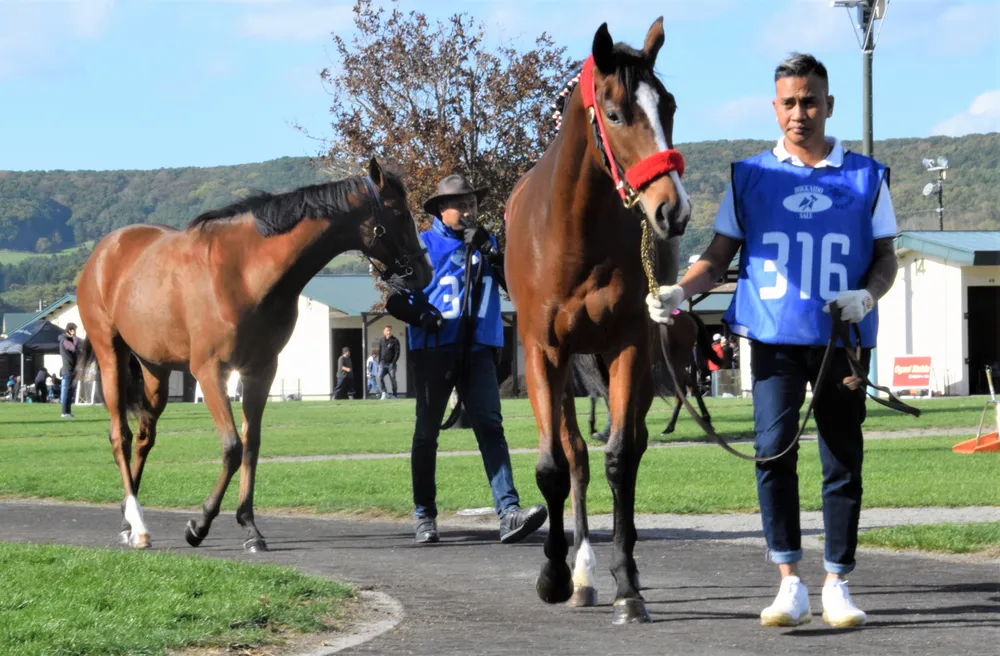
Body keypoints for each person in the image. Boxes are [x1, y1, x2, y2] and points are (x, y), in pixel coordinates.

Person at [646, 53, 898, 629]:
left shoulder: (866, 175)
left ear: (828, 105)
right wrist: (680, 293)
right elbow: (717, 258)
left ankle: (837, 581)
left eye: (810, 100)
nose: (799, 112)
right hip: (774, 333)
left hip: (842, 336)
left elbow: (886, 258)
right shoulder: (751, 176)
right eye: (789, 102)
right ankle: (790, 582)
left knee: (842, 460)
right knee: (773, 454)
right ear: (775, 107)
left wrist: (869, 295)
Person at [385, 173, 547, 545]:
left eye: (473, 204)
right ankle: (424, 514)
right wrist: (420, 315)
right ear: (442, 210)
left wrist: (492, 254)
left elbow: (519, 286)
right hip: (434, 350)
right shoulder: (421, 246)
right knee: (426, 434)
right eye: (462, 205)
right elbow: (394, 299)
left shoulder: (487, 243)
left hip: (478, 351)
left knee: (491, 427)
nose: (470, 211)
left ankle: (509, 512)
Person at [59, 323, 79, 417]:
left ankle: (68, 412)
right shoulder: (65, 341)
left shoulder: (66, 340)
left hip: (70, 369)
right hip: (68, 369)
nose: (75, 332)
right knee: (67, 392)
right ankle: (64, 412)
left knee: (69, 392)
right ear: (70, 330)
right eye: (74, 330)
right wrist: (75, 338)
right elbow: (73, 348)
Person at [378, 325, 401, 399]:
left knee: (393, 379)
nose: (389, 332)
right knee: (380, 377)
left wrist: (393, 363)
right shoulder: (381, 340)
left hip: (391, 364)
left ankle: (394, 394)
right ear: (384, 332)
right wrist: (379, 362)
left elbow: (397, 353)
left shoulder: (395, 340)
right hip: (382, 363)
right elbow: (380, 351)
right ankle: (384, 392)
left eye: (390, 330)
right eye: (387, 330)